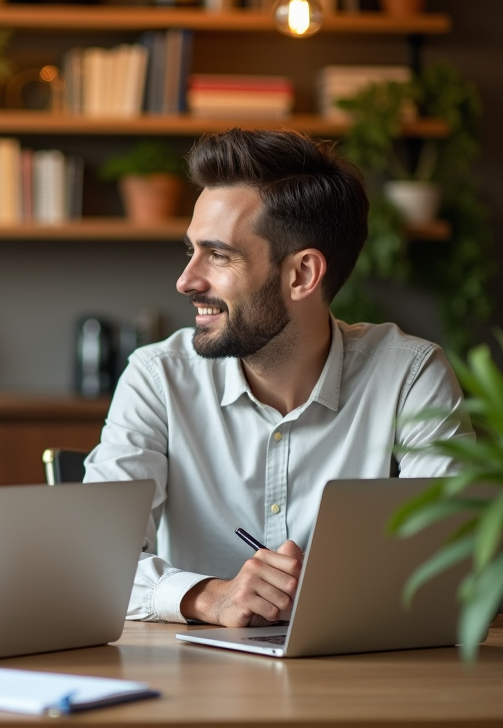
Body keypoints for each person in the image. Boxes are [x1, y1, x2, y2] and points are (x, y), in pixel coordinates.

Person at [84, 128, 471, 628]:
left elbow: (458, 561)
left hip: (363, 677)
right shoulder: (158, 376)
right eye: (191, 251)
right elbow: (90, 562)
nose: (186, 280)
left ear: (302, 275)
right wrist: (208, 597)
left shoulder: (410, 375)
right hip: (191, 684)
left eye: (219, 255)